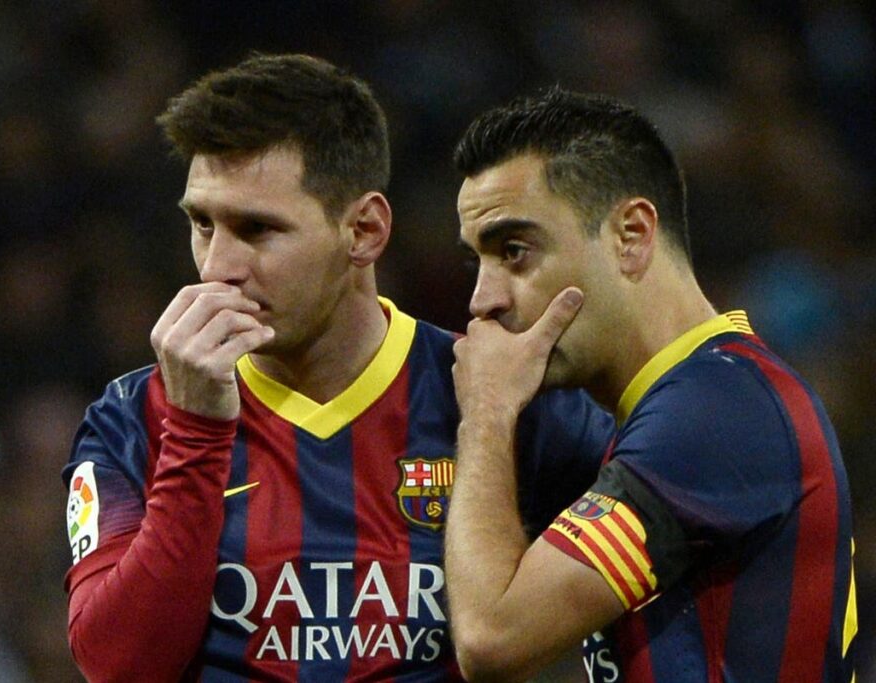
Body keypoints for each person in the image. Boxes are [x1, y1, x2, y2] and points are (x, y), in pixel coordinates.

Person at [62, 54, 615, 682]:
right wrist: (195, 433)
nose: (217, 267)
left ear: (364, 230)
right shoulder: (133, 419)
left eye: (257, 229)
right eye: (202, 223)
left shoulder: (500, 395)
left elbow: (664, 572)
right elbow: (117, 666)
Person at [444, 88, 857, 683]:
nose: (482, 300)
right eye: (477, 262)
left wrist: (486, 411)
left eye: (515, 251)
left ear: (631, 236)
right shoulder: (697, 400)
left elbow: (491, 638)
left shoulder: (716, 411)